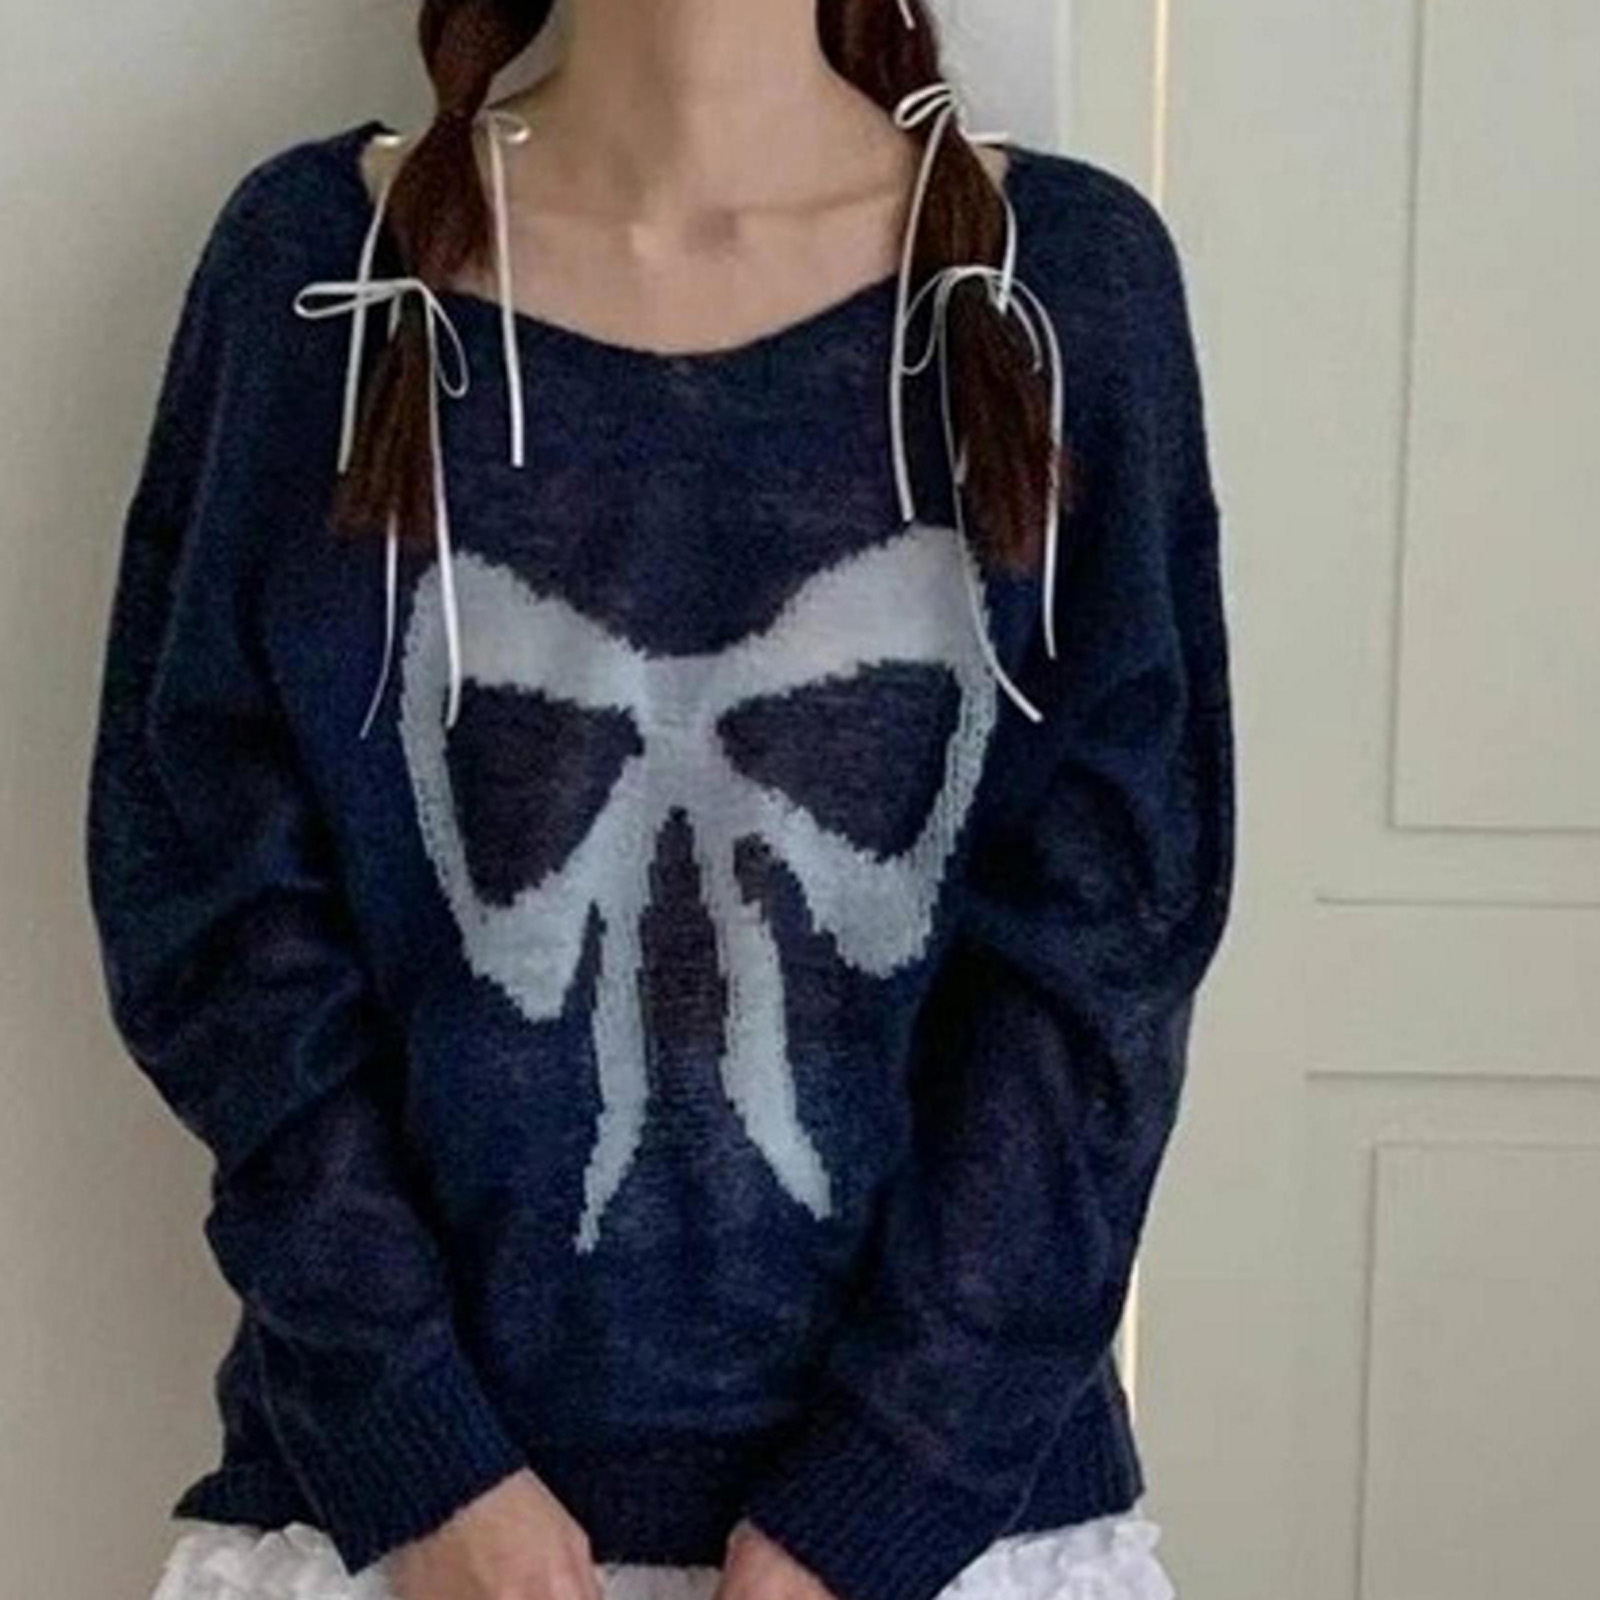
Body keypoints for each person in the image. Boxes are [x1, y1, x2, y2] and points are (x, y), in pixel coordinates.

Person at [82, 2, 1236, 1599]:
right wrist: (418, 1451)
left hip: (963, 1540)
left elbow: (1110, 948)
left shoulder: (1066, 286)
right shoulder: (314, 272)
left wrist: (889, 1489)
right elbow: (207, 909)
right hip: (401, 1537)